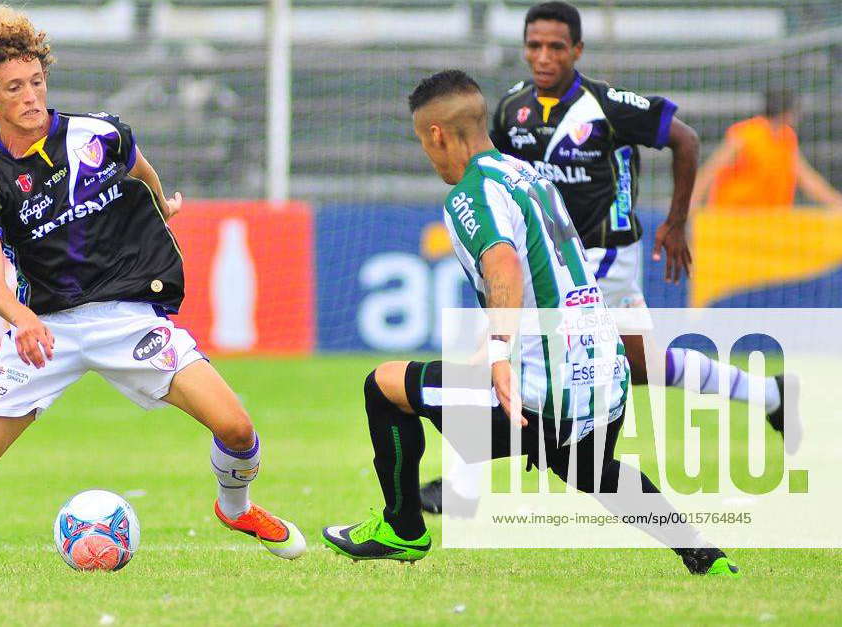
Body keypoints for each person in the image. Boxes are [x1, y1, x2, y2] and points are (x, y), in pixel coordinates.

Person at [0, 6, 304, 572]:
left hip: (128, 319)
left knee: (237, 428)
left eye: (37, 81)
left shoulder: (99, 133)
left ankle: (235, 508)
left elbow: (140, 169)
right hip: (47, 331)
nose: (31, 97)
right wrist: (22, 318)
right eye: (14, 88)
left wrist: (161, 205)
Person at [321, 70, 739, 577]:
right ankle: (703, 554)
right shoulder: (531, 175)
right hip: (605, 384)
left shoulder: (470, 194)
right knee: (591, 470)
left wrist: (497, 356)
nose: (428, 157)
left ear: (436, 134)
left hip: (541, 395)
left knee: (384, 386)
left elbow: (504, 265)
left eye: (422, 142)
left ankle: (402, 529)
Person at [420, 1, 797, 514]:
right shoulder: (512, 109)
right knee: (643, 365)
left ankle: (461, 490)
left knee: (495, 351)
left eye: (556, 46)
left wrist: (676, 220)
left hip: (601, 257)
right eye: (534, 45)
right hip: (558, 255)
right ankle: (771, 395)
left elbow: (685, 140)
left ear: (577, 50)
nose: (543, 56)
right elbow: (486, 168)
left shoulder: (607, 105)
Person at [691, 89, 842, 212]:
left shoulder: (786, 138)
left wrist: (836, 202)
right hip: (735, 220)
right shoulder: (746, 135)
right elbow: (710, 170)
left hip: (768, 221)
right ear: (786, 113)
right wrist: (688, 208)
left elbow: (807, 178)